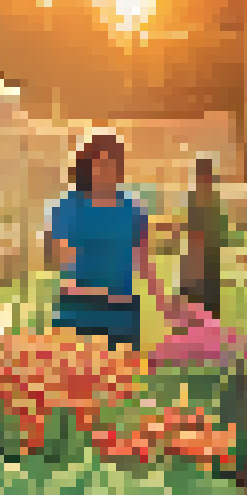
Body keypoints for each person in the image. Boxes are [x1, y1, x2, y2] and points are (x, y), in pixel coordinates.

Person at [47, 131, 163, 350]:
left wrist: (163, 302)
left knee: (122, 379)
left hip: (121, 311)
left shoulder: (133, 209)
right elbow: (61, 258)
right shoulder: (67, 207)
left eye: (111, 165)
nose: (104, 171)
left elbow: (144, 261)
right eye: (98, 164)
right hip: (78, 308)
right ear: (87, 167)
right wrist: (91, 294)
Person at [180, 155, 226, 318]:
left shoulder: (208, 199)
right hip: (200, 259)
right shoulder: (204, 199)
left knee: (204, 304)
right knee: (198, 303)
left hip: (205, 260)